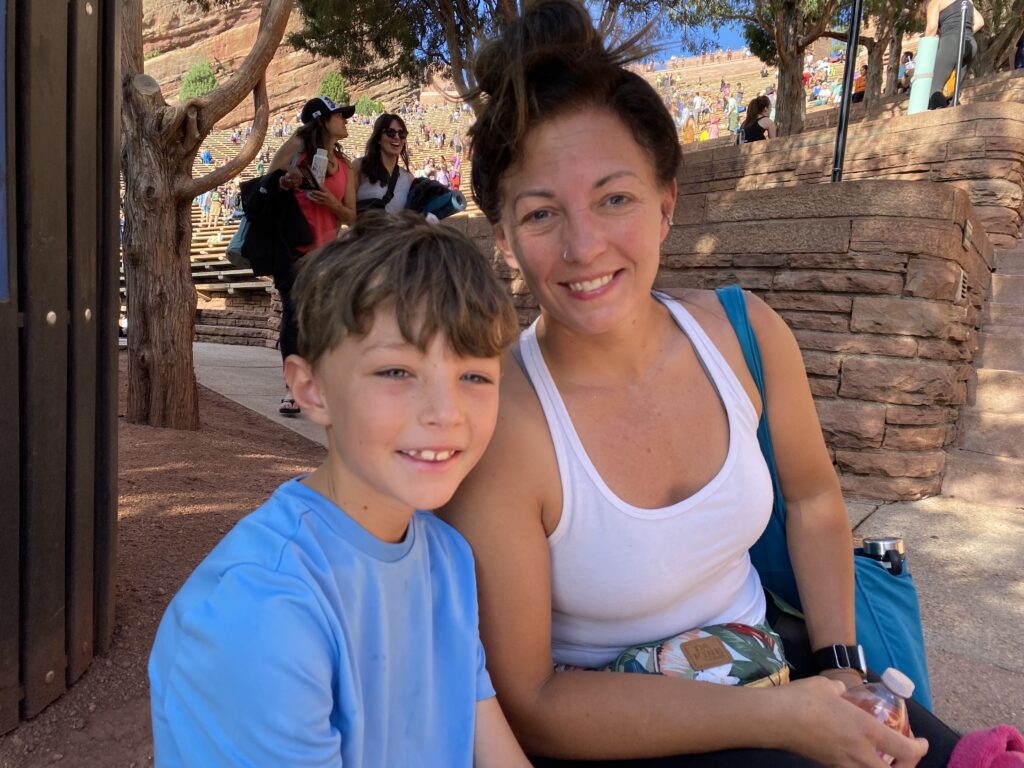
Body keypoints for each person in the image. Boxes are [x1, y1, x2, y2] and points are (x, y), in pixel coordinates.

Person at [440, 1, 960, 765]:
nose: (585, 247)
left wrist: (840, 671)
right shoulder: (501, 425)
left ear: (666, 205)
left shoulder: (745, 335)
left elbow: (815, 502)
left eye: (615, 198)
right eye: (543, 213)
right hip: (622, 728)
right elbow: (535, 702)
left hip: (775, 666)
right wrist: (784, 721)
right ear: (505, 236)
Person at [149, 212, 531, 768]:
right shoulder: (262, 614)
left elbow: (481, 729)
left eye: (474, 376)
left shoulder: (446, 558)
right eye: (397, 372)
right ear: (311, 389)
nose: (446, 414)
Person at [268, 95, 356, 415]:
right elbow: (270, 179)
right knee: (294, 318)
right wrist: (285, 181)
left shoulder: (345, 165)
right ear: (321, 120)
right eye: (339, 115)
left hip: (328, 255)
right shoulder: (297, 146)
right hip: (295, 249)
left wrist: (332, 205)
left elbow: (352, 216)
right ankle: (293, 390)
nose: (345, 120)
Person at [346, 113, 415, 215]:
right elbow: (347, 214)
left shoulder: (408, 178)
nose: (397, 137)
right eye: (390, 132)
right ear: (378, 138)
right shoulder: (359, 167)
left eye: (402, 133)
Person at [926, 0, 985, 109]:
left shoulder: (935, 2)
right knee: (952, 91)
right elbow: (980, 22)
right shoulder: (968, 1)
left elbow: (931, 29)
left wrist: (924, 55)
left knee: (933, 88)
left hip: (951, 41)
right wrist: (964, 33)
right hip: (970, 44)